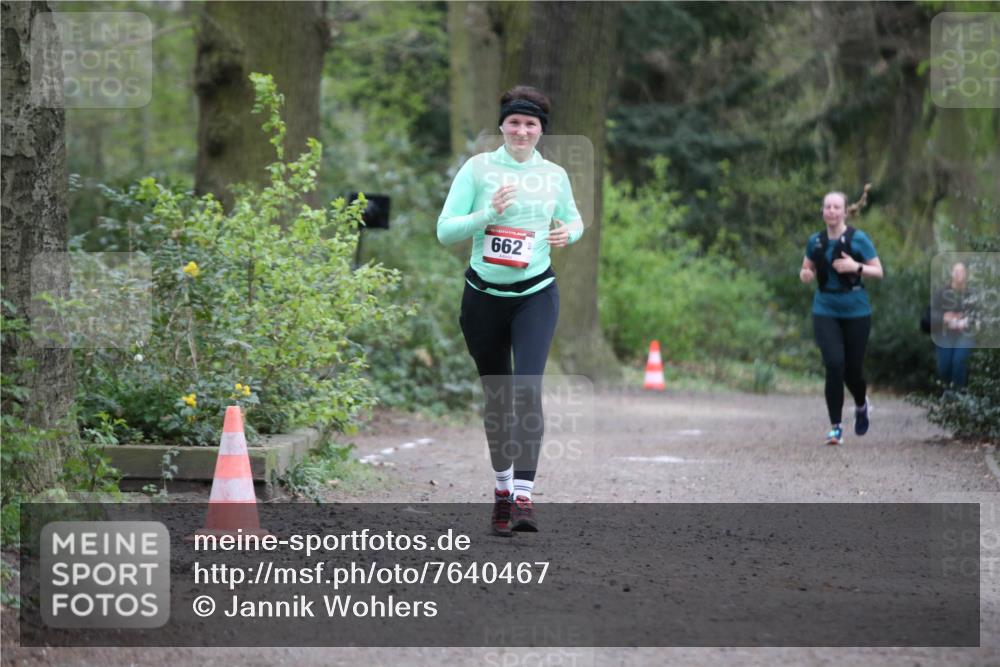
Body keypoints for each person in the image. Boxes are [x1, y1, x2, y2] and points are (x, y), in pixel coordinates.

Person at [437, 86, 584, 536]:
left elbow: (574, 218)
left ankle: (524, 496)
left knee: (526, 390)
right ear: (502, 126)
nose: (522, 131)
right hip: (482, 298)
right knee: (498, 399)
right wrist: (486, 214)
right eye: (515, 123)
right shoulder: (478, 169)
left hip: (536, 293)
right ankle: (501, 491)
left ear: (541, 131)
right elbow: (445, 231)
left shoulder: (555, 175)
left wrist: (568, 235)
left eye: (531, 124)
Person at [799, 187, 884, 445]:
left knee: (852, 370)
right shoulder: (816, 241)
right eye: (827, 207)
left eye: (836, 207)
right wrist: (805, 274)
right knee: (834, 364)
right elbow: (807, 266)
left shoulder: (859, 239)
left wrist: (855, 266)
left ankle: (861, 403)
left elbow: (878, 271)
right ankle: (835, 427)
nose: (832, 211)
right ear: (822, 211)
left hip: (856, 309)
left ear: (845, 211)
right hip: (825, 308)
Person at [932, 262, 974, 389]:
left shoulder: (972, 294)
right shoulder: (941, 293)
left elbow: (979, 315)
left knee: (959, 361)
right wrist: (944, 318)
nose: (958, 274)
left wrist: (968, 320)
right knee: (944, 366)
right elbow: (929, 316)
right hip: (944, 334)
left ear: (966, 275)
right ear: (951, 274)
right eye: (956, 271)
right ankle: (948, 392)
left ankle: (959, 396)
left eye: (961, 271)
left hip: (965, 334)